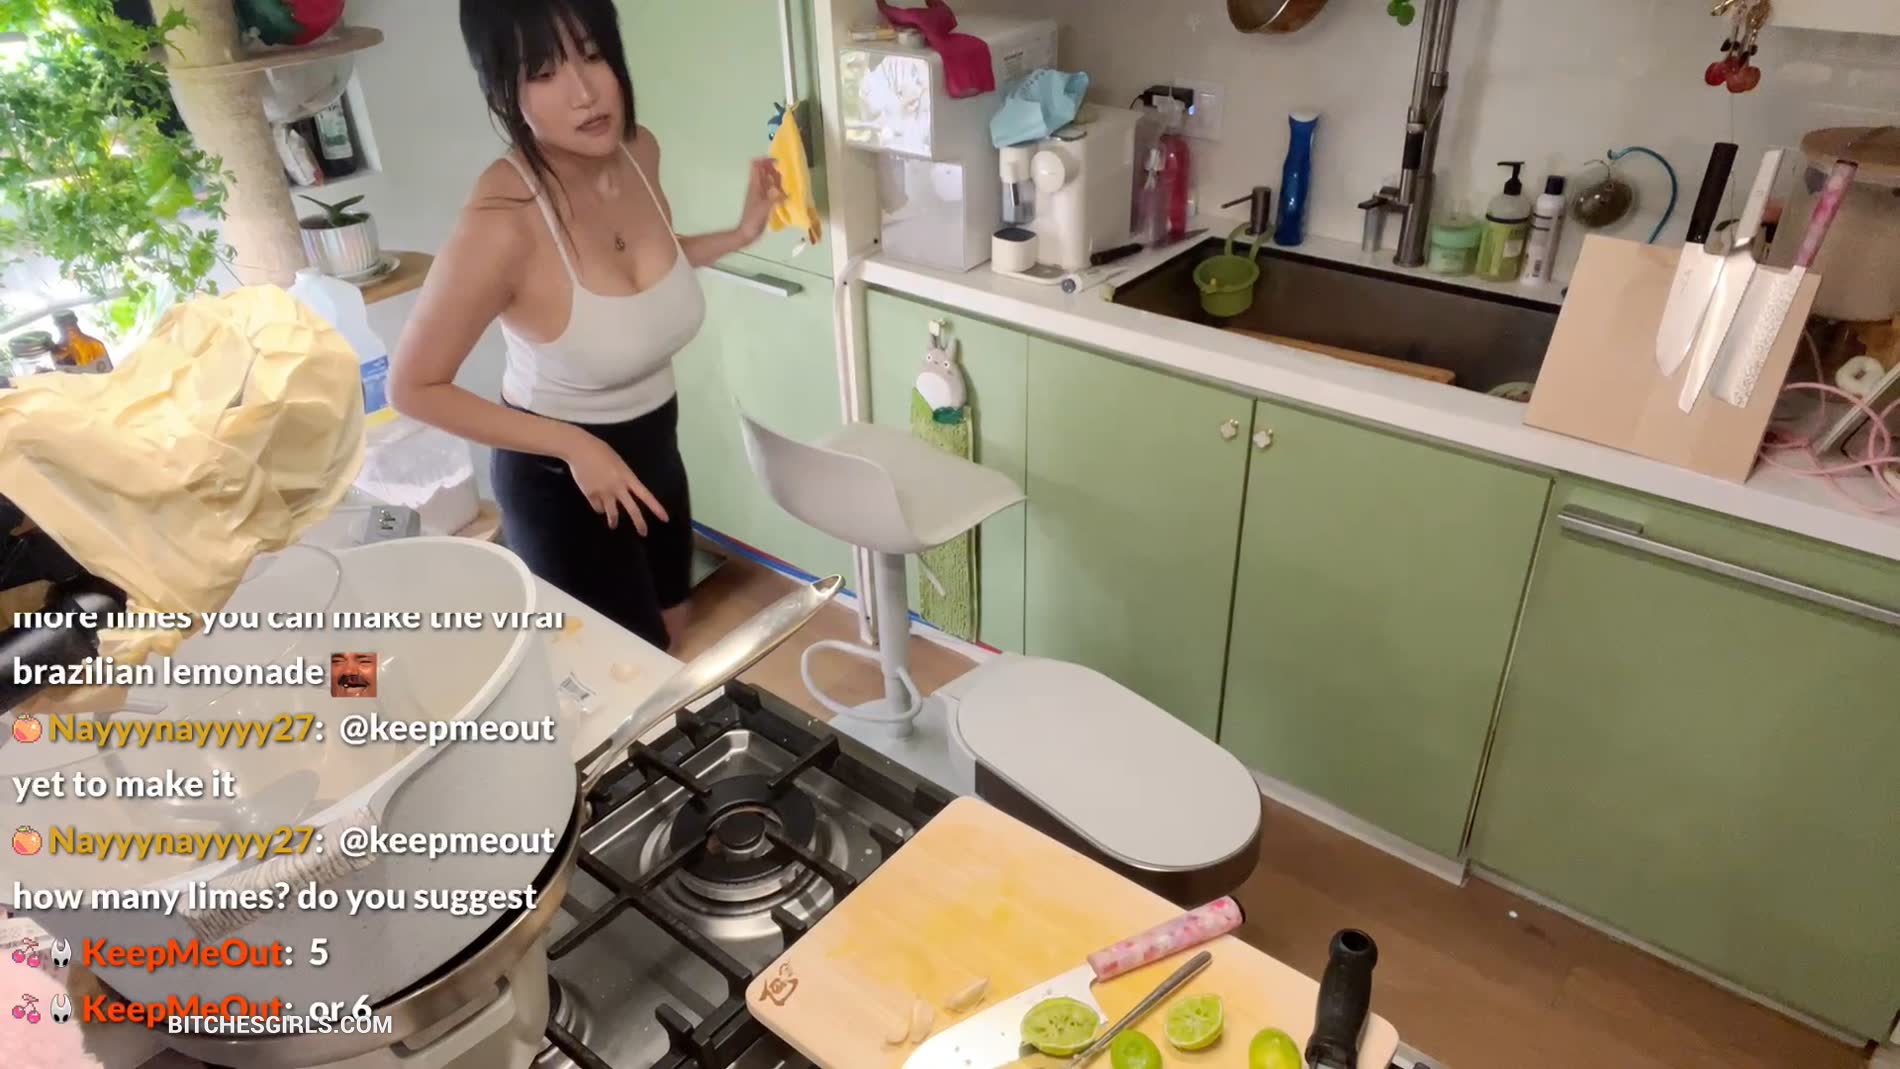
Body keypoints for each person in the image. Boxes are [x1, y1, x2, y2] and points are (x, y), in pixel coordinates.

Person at [390, 0, 784, 651]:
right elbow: (413, 386)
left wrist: (741, 233)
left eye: (593, 55)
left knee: (673, 628)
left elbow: (646, 270)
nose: (583, 93)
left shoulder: (638, 150)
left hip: (655, 447)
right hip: (560, 476)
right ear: (505, 92)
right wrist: (574, 445)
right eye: (543, 72)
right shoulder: (502, 219)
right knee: (625, 670)